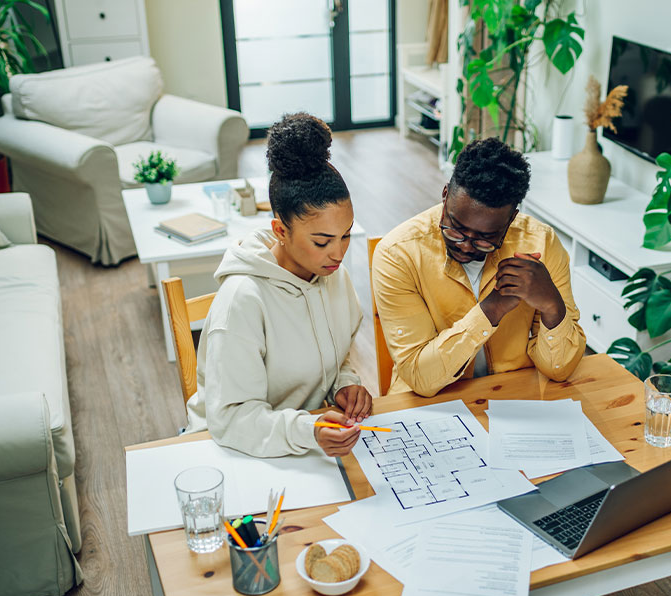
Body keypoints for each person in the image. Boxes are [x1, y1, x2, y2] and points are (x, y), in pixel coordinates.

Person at [185, 112, 372, 458]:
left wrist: (345, 385)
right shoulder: (242, 300)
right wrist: (307, 431)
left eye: (345, 236)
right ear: (280, 231)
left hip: (302, 444)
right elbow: (229, 419)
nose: (338, 253)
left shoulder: (333, 276)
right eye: (322, 241)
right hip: (231, 451)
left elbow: (336, 354)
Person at [372, 137, 586, 397]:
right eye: (456, 228)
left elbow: (560, 370)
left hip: (512, 398)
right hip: (429, 405)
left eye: (485, 238)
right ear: (444, 196)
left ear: (511, 220)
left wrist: (553, 305)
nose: (465, 245)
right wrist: (491, 309)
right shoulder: (399, 254)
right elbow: (420, 378)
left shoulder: (542, 242)